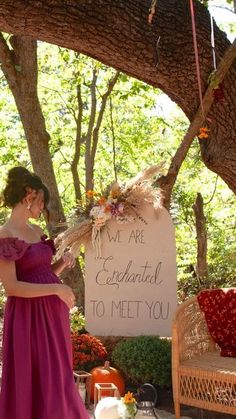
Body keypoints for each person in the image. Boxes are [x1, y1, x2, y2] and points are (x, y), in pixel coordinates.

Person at [0, 166, 89, 419]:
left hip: (52, 315)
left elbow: (43, 273)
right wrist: (57, 288)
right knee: (36, 376)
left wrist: (63, 263)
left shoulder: (36, 232)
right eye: (41, 202)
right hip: (27, 318)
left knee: (57, 375)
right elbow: (13, 287)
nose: (42, 209)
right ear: (29, 195)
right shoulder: (5, 235)